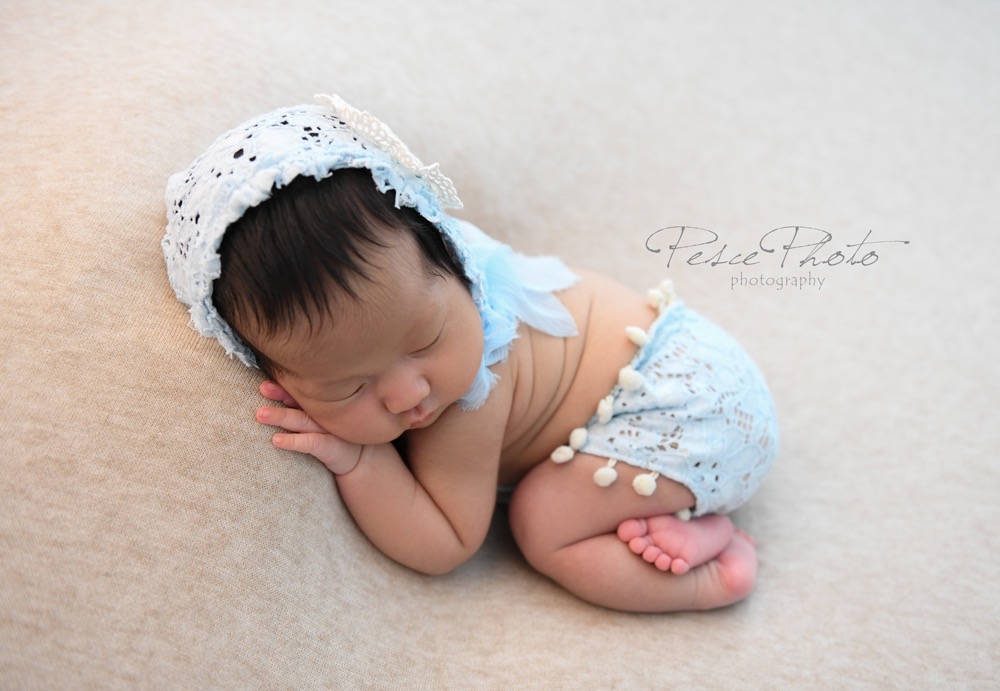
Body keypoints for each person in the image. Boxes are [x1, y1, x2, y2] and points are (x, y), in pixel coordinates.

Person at [162, 94, 778, 613]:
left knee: (543, 524)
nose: (408, 394)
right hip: (699, 366)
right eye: (349, 387)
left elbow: (447, 542)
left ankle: (715, 575)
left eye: (425, 341)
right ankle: (678, 520)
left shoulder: (474, 392)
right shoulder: (411, 292)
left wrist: (360, 461)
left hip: (688, 412)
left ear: (455, 264)